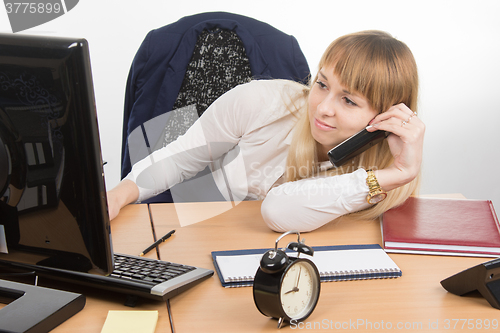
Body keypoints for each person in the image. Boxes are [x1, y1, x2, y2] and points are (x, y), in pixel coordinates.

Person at [107, 30, 425, 233]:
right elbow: (179, 158)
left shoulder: (385, 165)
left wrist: (399, 172)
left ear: (385, 118)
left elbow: (281, 209)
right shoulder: (259, 102)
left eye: (348, 100)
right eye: (322, 84)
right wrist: (117, 196)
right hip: (215, 233)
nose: (323, 107)